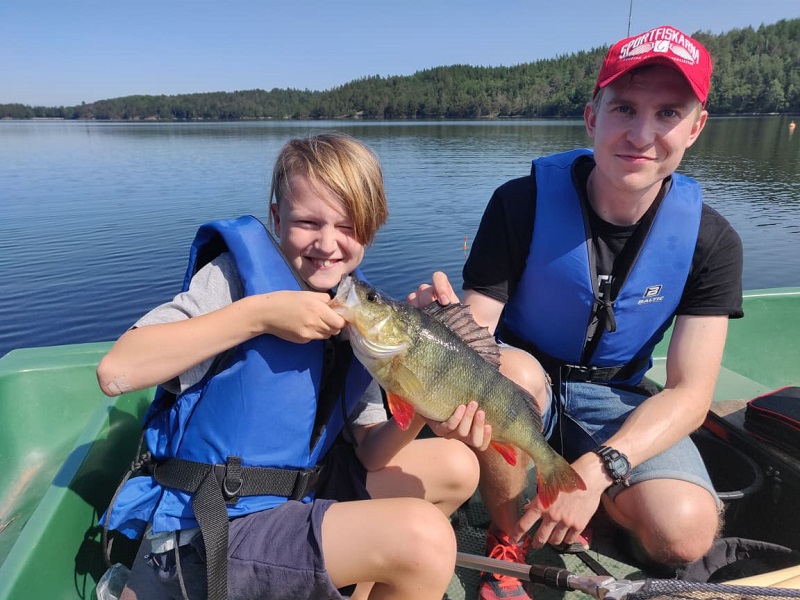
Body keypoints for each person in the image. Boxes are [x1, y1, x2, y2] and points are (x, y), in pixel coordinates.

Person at [410, 25, 744, 600]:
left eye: (668, 112)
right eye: (624, 108)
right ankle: (507, 539)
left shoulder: (712, 242)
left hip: (616, 396)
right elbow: (480, 340)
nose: (642, 134)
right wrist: (440, 337)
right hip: (524, 379)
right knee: (506, 377)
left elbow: (690, 394)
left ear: (696, 126)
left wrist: (598, 471)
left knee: (685, 532)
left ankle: (593, 496)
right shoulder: (520, 203)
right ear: (592, 117)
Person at [96, 132, 487, 600]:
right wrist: (258, 315)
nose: (327, 243)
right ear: (277, 219)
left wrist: (423, 402)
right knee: (423, 539)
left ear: (371, 229)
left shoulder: (355, 309)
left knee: (456, 466)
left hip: (292, 496)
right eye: (307, 222)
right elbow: (116, 369)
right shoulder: (234, 280)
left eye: (347, 226)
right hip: (209, 530)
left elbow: (371, 452)